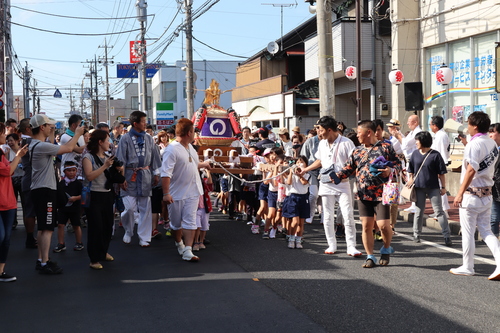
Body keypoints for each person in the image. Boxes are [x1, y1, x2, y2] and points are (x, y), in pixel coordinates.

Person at [334, 120, 401, 268]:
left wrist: (391, 170)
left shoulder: (386, 147)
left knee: (383, 225)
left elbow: (398, 164)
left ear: (368, 133)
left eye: (359, 133)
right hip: (363, 194)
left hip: (381, 193)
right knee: (366, 226)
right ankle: (370, 256)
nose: (357, 136)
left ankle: (386, 248)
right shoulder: (357, 151)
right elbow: (348, 168)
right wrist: (336, 176)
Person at [300, 116, 362, 257]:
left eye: (320, 130)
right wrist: (306, 169)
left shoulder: (347, 143)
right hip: (326, 182)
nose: (319, 133)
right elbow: (320, 161)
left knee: (347, 214)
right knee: (327, 216)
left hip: (343, 183)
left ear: (329, 130)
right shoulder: (322, 144)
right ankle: (331, 244)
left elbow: (354, 164)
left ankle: (351, 246)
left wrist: (346, 176)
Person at [30, 114, 84, 274]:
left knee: (42, 228)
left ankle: (41, 259)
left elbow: (52, 143)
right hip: (45, 190)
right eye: (48, 126)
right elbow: (67, 148)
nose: (50, 128)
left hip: (40, 189)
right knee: (47, 229)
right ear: (42, 127)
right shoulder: (41, 146)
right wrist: (79, 134)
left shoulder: (36, 144)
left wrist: (52, 131)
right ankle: (45, 262)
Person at [451, 112, 500, 280]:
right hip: (487, 193)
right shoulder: (491, 142)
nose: (468, 127)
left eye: (469, 124)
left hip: (471, 194)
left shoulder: (474, 144)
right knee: (487, 231)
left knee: (468, 232)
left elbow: (471, 169)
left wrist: (459, 193)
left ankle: (468, 266)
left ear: (475, 126)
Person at [161, 118, 211, 262]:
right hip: (176, 193)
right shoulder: (171, 149)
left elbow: (192, 165)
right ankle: (179, 243)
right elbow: (166, 173)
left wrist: (204, 164)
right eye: (194, 131)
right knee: (176, 224)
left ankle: (188, 250)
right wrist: (166, 193)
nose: (195, 134)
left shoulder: (191, 148)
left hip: (194, 191)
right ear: (189, 132)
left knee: (190, 221)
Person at [116, 111, 162, 247]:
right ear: (135, 123)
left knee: (145, 208)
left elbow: (155, 157)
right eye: (143, 121)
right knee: (129, 208)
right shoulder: (125, 138)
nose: (145, 123)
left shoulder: (149, 138)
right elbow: (120, 160)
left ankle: (144, 237)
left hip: (146, 175)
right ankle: (128, 231)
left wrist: (156, 174)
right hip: (129, 175)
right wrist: (121, 178)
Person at [82, 130, 120, 269]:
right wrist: (105, 166)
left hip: (107, 194)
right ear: (100, 142)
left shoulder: (108, 156)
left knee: (107, 226)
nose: (109, 144)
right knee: (95, 227)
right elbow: (89, 176)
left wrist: (118, 170)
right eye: (107, 140)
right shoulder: (88, 157)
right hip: (94, 195)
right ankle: (94, 259)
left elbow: (112, 177)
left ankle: (103, 252)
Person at [408, 131, 452, 246]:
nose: (416, 142)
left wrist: (443, 187)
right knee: (418, 211)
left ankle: (447, 236)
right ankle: (416, 234)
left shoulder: (435, 155)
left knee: (439, 211)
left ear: (423, 141)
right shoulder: (415, 154)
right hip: (418, 187)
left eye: (417, 140)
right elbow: (411, 170)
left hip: (433, 187)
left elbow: (441, 173)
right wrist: (410, 179)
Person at [0, 123, 28, 282]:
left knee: (6, 239)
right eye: (3, 134)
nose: (5, 137)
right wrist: (18, 155)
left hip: (8, 201)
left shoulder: (2, 153)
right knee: (1, 236)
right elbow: (8, 171)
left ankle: (1, 271)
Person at [53, 161, 84, 253]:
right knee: (60, 225)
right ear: (64, 172)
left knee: (76, 225)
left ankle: (79, 242)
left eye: (73, 170)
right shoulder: (61, 183)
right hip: (63, 208)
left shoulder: (78, 183)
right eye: (69, 170)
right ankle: (61, 243)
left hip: (75, 208)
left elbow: (84, 195)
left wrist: (76, 198)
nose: (71, 172)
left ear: (76, 171)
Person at [18, 118, 38, 248]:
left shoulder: (24, 141)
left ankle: (30, 237)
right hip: (32, 180)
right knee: (31, 211)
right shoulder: (29, 142)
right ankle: (31, 238)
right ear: (28, 129)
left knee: (29, 210)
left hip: (28, 179)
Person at [284, 155, 310, 249]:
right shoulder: (292, 173)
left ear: (306, 164)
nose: (299, 164)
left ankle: (298, 240)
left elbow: (304, 182)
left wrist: (300, 175)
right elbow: (289, 182)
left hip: (303, 198)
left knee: (301, 222)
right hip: (293, 197)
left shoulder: (308, 174)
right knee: (295, 221)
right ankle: (291, 239)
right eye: (298, 162)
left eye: (301, 162)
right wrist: (291, 172)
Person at [429, 116, 451, 219]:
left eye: (431, 124)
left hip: (438, 165)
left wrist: (439, 167)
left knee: (440, 189)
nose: (430, 126)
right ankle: (440, 211)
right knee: (437, 189)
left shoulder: (441, 135)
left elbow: (441, 152)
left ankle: (443, 211)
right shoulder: (439, 135)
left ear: (435, 126)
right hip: (437, 164)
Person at [301, 125, 321, 224]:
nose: (319, 131)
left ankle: (324, 217)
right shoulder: (310, 141)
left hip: (325, 171)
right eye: (317, 128)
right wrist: (304, 170)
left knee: (324, 195)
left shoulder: (329, 141)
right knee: (313, 194)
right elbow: (304, 157)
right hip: (311, 171)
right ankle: (310, 214)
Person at [401, 115, 422, 213]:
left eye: (409, 121)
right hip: (410, 160)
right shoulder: (412, 133)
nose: (407, 123)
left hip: (415, 160)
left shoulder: (417, 132)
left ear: (415, 122)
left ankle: (416, 205)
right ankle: (413, 204)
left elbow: (405, 144)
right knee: (410, 182)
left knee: (413, 182)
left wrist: (399, 136)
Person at [5, 133, 24, 230]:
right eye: (8, 141)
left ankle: (27, 220)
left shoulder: (23, 150)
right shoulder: (7, 151)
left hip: (23, 177)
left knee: (25, 201)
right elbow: (6, 166)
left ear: (17, 140)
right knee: (13, 201)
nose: (10, 143)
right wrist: (7, 156)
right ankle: (13, 221)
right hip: (12, 179)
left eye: (12, 140)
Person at [60, 114, 86, 179]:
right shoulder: (65, 137)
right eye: (80, 124)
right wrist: (92, 143)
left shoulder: (80, 136)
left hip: (78, 169)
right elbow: (79, 150)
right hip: (68, 170)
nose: (83, 127)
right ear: (73, 125)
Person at [489, 123, 500, 239]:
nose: (490, 135)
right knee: (494, 218)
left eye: (493, 132)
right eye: (489, 132)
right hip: (495, 189)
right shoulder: (492, 149)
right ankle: (494, 242)